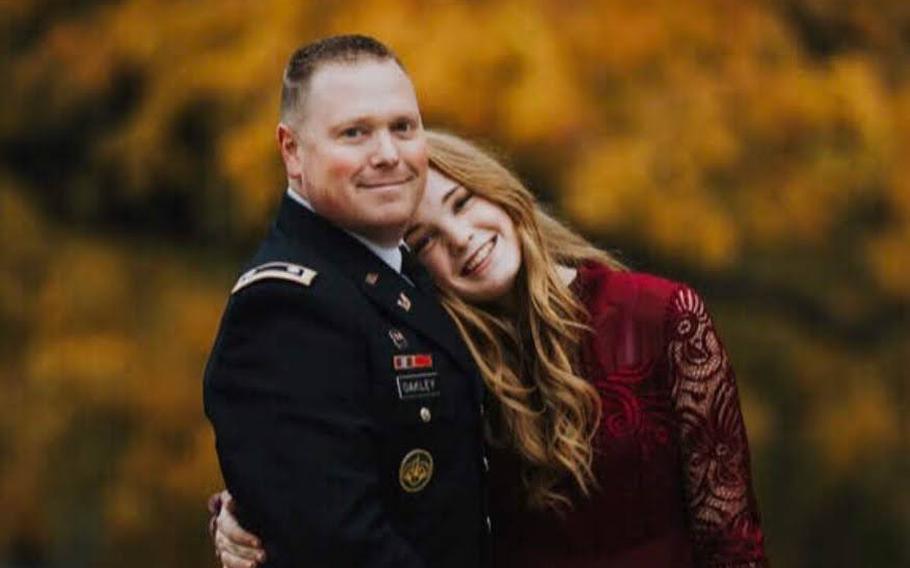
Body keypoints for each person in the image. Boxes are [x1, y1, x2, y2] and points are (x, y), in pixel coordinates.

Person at [210, 130, 769, 567]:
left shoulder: (661, 315)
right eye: (424, 240)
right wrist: (239, 513)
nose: (460, 237)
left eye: (461, 202)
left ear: (499, 191)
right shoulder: (438, 363)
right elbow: (332, 467)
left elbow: (732, 543)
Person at [203, 37, 492, 567]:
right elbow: (342, 547)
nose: (386, 154)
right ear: (292, 150)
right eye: (354, 133)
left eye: (402, 127)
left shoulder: (413, 269)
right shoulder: (284, 309)